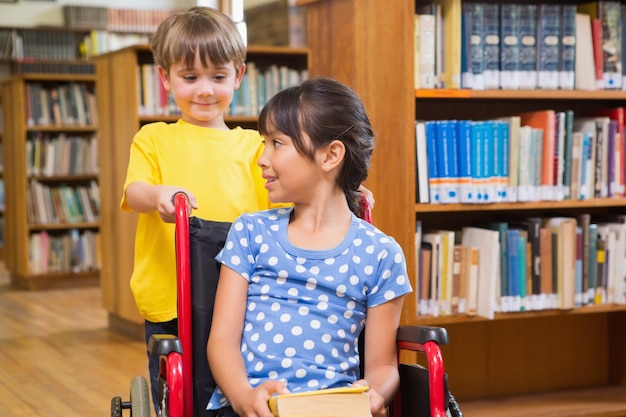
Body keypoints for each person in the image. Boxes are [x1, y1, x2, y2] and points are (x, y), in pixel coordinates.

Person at [120, 7, 374, 412]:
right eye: (190, 78)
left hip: (250, 290)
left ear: (238, 76)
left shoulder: (254, 147)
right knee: (181, 385)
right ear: (165, 79)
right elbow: (134, 192)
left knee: (234, 363)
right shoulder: (153, 139)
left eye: (218, 77)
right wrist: (157, 195)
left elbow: (298, 183)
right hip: (173, 292)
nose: (205, 90)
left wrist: (347, 188)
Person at [207, 77, 412, 417]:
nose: (262, 158)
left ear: (330, 155)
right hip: (253, 406)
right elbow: (222, 341)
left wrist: (374, 394)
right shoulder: (251, 232)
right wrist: (245, 397)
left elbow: (383, 365)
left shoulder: (381, 254)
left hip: (333, 409)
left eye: (277, 143)